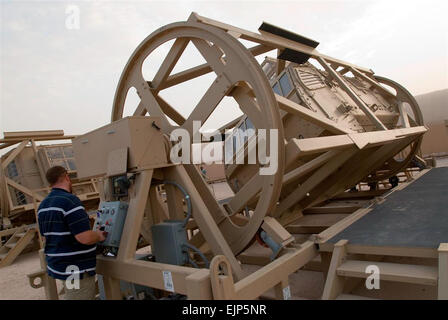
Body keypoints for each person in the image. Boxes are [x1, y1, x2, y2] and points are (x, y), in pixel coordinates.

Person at [37, 166, 105, 300]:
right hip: (75, 268)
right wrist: (99, 235)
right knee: (77, 296)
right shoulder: (70, 201)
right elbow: (84, 237)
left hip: (61, 265)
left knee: (72, 293)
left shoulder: (43, 205)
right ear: (67, 177)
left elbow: (45, 237)